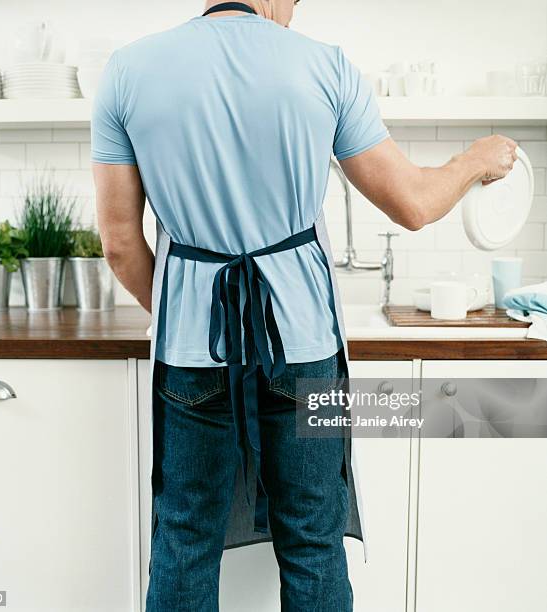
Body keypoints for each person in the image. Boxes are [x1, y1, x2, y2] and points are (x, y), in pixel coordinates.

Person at [91, 2, 517, 610]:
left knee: (184, 537)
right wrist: (475, 158)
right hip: (304, 346)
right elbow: (415, 205)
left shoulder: (127, 71)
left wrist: (184, 315)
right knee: (314, 540)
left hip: (191, 349)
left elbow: (119, 243)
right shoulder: (325, 66)